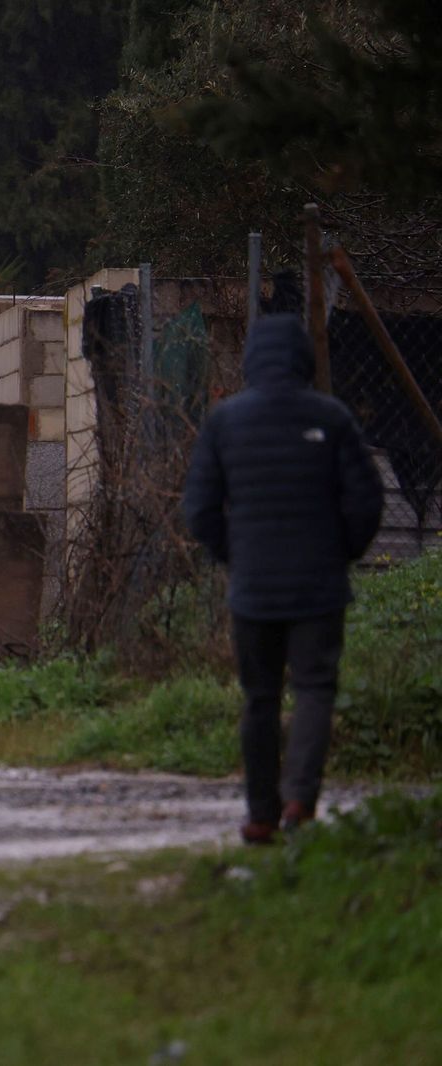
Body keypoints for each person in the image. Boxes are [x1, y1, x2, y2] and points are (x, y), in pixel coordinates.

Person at [183, 313, 383, 844]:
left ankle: (261, 814)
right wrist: (341, 553)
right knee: (315, 688)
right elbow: (366, 501)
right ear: (304, 359)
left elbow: (199, 509)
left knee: (260, 697)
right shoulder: (333, 418)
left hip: (254, 589)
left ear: (252, 360)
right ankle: (300, 800)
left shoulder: (225, 422)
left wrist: (236, 555)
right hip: (319, 587)